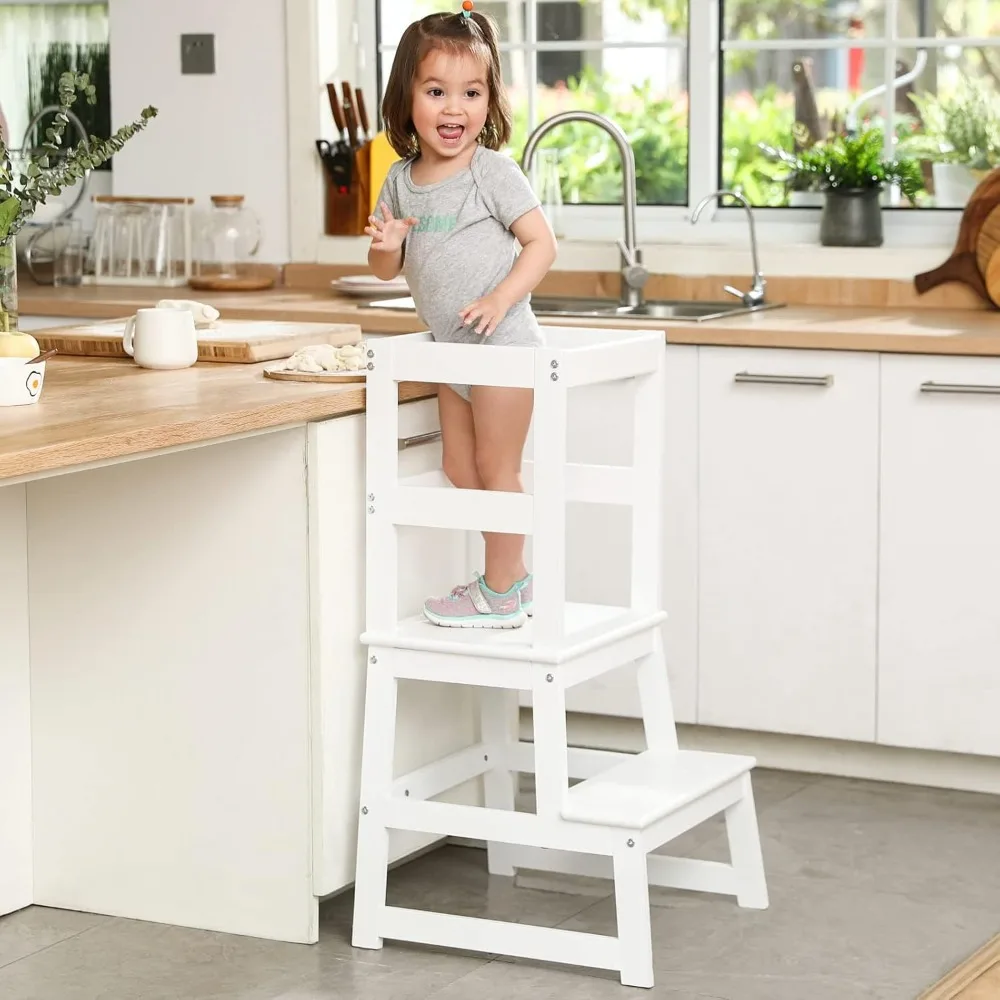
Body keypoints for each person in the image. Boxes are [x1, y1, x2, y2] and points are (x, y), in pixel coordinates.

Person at [367, 1, 558, 630]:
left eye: (471, 92)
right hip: (451, 352)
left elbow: (542, 244)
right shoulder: (398, 180)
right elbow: (385, 272)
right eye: (437, 91)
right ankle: (511, 577)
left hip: (500, 344)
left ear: (490, 100)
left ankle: (502, 584)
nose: (455, 109)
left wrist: (503, 298)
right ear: (407, 98)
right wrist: (386, 245)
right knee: (459, 467)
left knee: (497, 468)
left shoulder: (492, 173)